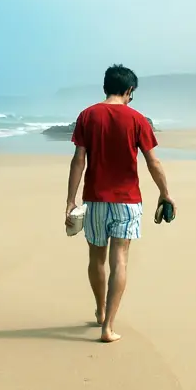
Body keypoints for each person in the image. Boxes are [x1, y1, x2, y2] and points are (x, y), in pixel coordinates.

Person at [64, 64, 175, 343]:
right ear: (129, 90)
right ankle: (108, 327)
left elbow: (78, 160)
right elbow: (153, 162)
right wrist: (165, 193)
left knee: (96, 258)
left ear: (105, 87)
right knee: (120, 260)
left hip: (95, 199)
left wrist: (70, 200)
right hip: (127, 201)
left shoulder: (87, 116)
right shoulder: (137, 119)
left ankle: (100, 310)